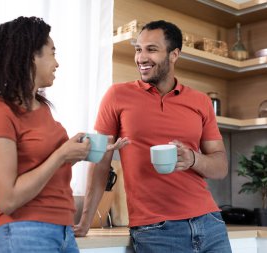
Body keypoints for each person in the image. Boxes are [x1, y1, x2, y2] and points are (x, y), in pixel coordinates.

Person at [75, 20, 232, 253]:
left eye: (152, 49)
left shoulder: (200, 102)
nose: (141, 58)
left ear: (174, 54)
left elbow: (220, 166)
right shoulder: (117, 96)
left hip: (210, 223)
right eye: (138, 49)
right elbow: (101, 162)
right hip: (155, 229)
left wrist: (193, 158)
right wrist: (86, 221)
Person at [0, 16, 93, 253]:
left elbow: (45, 163)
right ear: (30, 56)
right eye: (52, 53)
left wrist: (74, 153)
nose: (57, 63)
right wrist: (60, 156)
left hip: (63, 232)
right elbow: (8, 199)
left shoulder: (43, 108)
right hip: (22, 233)